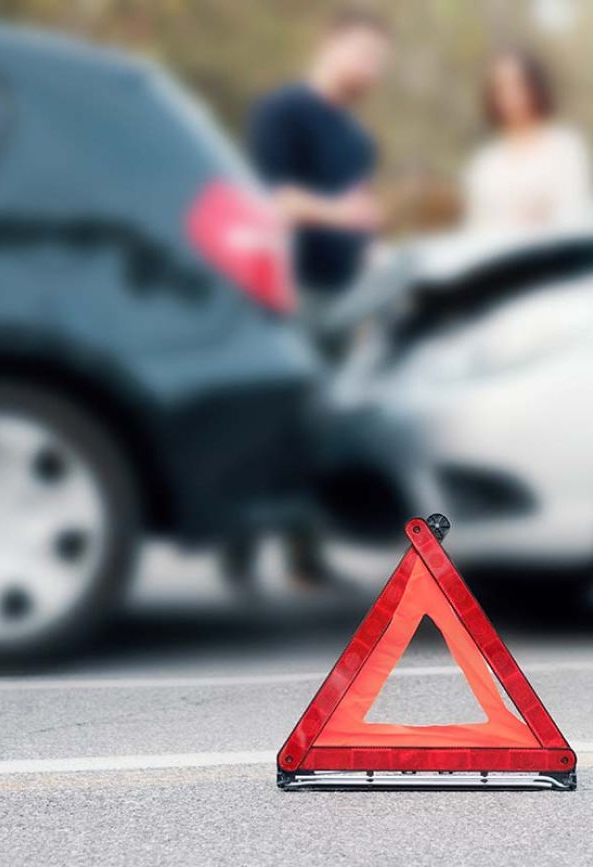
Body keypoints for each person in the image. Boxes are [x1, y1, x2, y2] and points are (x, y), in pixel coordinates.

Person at [222, 8, 391, 593]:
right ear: (333, 45)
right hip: (286, 292)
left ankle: (304, 557)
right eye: (365, 54)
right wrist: (340, 213)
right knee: (272, 422)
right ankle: (237, 548)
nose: (371, 70)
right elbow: (270, 197)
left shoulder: (357, 138)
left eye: (379, 61)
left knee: (322, 427)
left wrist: (376, 270)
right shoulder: (283, 112)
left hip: (342, 299)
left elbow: (364, 220)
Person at [463, 48, 593, 234]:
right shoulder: (485, 163)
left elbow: (577, 215)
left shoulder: (566, 148)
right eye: (501, 87)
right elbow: (477, 228)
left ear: (535, 86)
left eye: (518, 84)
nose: (511, 96)